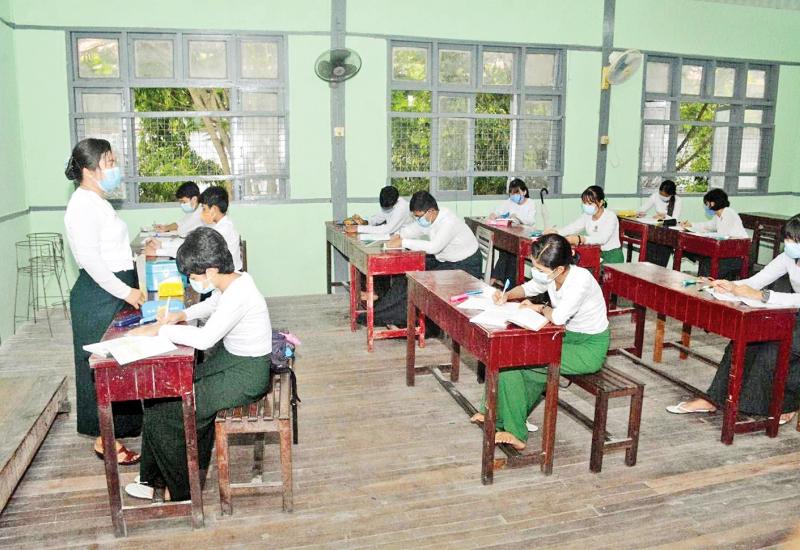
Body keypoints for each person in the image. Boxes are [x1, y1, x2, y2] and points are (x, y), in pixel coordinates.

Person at [124, 227, 272, 501]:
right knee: (165, 396)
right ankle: (155, 477)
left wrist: (159, 330)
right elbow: (214, 304)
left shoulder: (239, 294)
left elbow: (205, 339)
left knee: (166, 411)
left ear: (211, 270)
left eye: (193, 277)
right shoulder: (235, 280)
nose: (192, 282)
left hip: (247, 374)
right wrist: (180, 314)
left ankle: (180, 490)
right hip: (234, 360)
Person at [470, 234, 610, 450]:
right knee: (508, 357)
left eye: (540, 269)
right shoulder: (552, 275)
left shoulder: (580, 281)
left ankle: (515, 431)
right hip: (564, 336)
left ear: (559, 269)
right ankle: (495, 414)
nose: (536, 272)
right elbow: (530, 287)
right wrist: (507, 295)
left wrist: (540, 307)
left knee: (516, 361)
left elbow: (558, 317)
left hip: (588, 347)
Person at [667, 214, 800, 425]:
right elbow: (757, 281)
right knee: (744, 341)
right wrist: (729, 285)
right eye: (788, 239)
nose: (789, 244)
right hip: (791, 313)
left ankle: (784, 404)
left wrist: (764, 296)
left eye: (794, 240)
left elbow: (769, 294)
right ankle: (713, 399)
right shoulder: (788, 257)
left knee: (773, 351)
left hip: (793, 313)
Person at [63, 138, 143, 464]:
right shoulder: (81, 206)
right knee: (101, 368)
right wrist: (126, 292)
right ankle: (104, 440)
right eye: (108, 162)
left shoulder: (97, 201)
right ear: (89, 169)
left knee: (120, 363)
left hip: (114, 288)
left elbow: (112, 249)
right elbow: (92, 262)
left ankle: (116, 432)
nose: (114, 168)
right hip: (99, 296)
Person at [370, 191, 481, 327]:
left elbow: (434, 247)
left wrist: (403, 242)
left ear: (431, 211)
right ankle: (384, 313)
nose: (417, 220)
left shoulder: (448, 222)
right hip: (445, 260)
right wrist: (398, 236)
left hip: (466, 265)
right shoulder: (429, 218)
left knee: (423, 283)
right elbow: (413, 229)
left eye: (418, 216)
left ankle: (410, 322)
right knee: (408, 272)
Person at [147, 186, 243, 272]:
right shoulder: (215, 225)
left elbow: (193, 253)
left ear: (213, 210)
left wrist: (158, 252)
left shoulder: (222, 230)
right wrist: (162, 245)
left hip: (227, 277)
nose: (201, 213)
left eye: (204, 209)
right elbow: (191, 244)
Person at [679, 188, 748, 280]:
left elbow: (722, 235)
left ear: (712, 203)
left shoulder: (728, 212)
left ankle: (704, 284)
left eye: (707, 203)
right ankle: (702, 282)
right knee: (699, 255)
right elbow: (708, 226)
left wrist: (706, 234)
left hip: (736, 256)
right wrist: (691, 225)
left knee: (707, 262)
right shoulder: (718, 216)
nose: (706, 206)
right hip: (726, 252)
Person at [548, 185, 623, 265]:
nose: (587, 206)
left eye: (590, 203)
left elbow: (602, 239)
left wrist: (581, 239)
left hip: (612, 257)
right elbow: (573, 227)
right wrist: (556, 232)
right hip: (596, 252)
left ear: (601, 202)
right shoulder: (587, 215)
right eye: (584, 203)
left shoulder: (610, 216)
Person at [488, 178, 537, 285]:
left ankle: (502, 281)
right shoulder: (510, 202)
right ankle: (499, 279)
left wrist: (518, 217)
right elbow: (498, 211)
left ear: (524, 192)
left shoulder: (531, 203)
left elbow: (531, 221)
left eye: (516, 193)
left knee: (513, 254)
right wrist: (494, 215)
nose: (514, 196)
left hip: (526, 235)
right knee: (505, 251)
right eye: (511, 193)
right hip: (512, 234)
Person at [638, 180, 681, 267]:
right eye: (661, 194)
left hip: (668, 234)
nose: (662, 197)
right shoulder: (655, 196)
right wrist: (640, 213)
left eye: (665, 195)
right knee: (648, 257)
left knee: (661, 259)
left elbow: (674, 219)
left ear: (671, 194)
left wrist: (664, 216)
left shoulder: (677, 200)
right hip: (655, 231)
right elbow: (642, 209)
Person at [346, 185, 410, 236]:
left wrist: (358, 228)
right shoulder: (387, 200)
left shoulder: (402, 207)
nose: (385, 209)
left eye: (388, 207)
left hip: (405, 238)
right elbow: (378, 218)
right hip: (393, 236)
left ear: (396, 201)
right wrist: (365, 222)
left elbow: (388, 229)